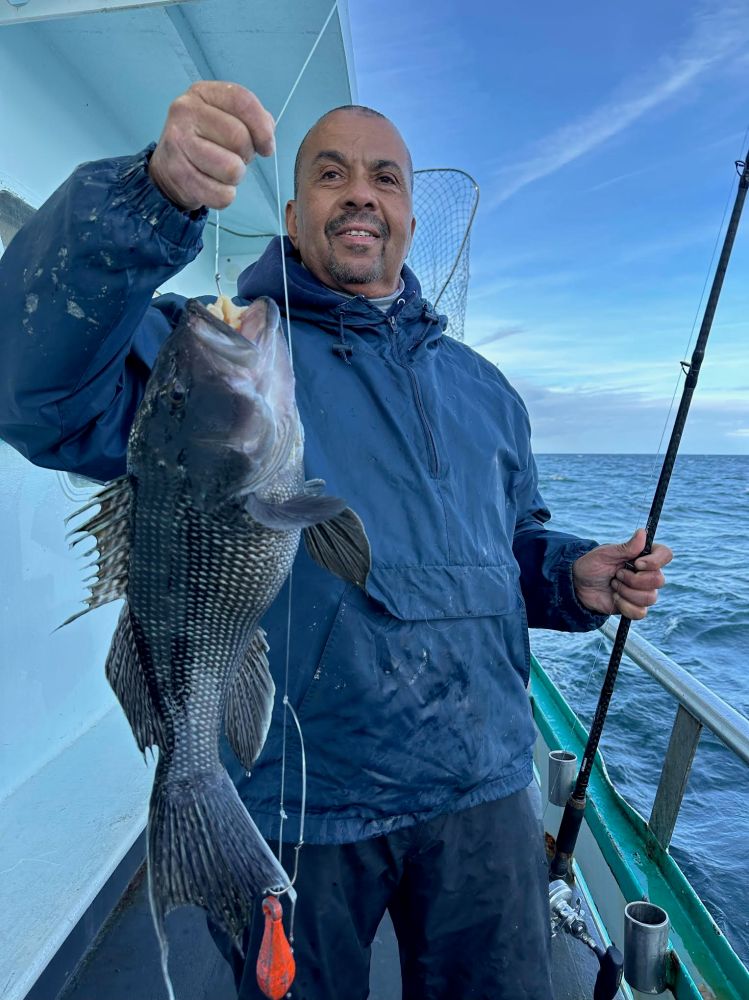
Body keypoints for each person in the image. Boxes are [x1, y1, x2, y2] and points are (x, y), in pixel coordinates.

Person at [0, 83, 672, 1000]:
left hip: (481, 784)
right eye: (331, 173)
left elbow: (510, 542)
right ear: (292, 210)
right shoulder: (204, 350)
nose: (360, 192)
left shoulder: (485, 391)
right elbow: (34, 388)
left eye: (383, 177)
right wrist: (148, 200)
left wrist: (569, 576)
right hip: (300, 800)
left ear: (404, 211)